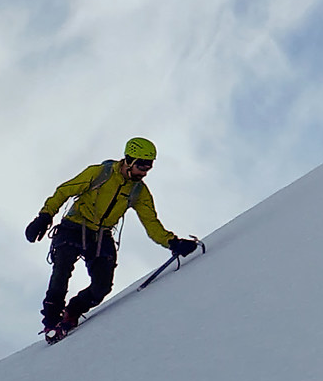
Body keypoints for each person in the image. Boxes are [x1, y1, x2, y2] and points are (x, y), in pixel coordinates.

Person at [26, 137, 199, 339]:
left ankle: (73, 311)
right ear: (129, 160)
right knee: (61, 269)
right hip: (73, 227)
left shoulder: (138, 191)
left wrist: (172, 242)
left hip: (101, 236)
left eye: (149, 167)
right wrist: (44, 216)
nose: (144, 172)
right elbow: (64, 191)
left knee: (102, 287)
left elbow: (151, 222)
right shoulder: (100, 173)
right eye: (142, 166)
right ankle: (51, 319)